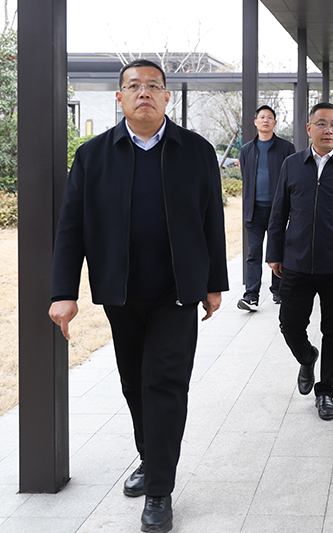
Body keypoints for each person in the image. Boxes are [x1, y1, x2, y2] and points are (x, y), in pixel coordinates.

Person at [48, 59, 228, 533]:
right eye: (133, 86)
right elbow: (71, 226)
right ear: (120, 97)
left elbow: (212, 220)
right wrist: (64, 291)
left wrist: (214, 283)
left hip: (176, 292)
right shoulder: (93, 156)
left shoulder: (196, 150)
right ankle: (151, 458)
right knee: (134, 383)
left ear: (167, 97)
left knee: (165, 383)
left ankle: (159, 491)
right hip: (120, 292)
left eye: (153, 86)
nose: (143, 92)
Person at [267, 102, 333, 421]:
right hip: (295, 262)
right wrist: (274, 254)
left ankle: (325, 392)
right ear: (309, 129)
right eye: (321, 124)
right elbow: (279, 212)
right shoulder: (292, 164)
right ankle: (307, 356)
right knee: (289, 324)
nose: (328, 130)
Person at [238, 104, 296, 310]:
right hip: (253, 211)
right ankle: (251, 295)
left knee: (278, 250)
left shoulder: (286, 148)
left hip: (277, 210)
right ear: (255, 122)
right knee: (253, 254)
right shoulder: (246, 150)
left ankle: (278, 290)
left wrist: (290, 207)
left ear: (274, 122)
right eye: (262, 117)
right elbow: (246, 177)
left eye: (269, 117)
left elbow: (292, 179)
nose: (265, 120)